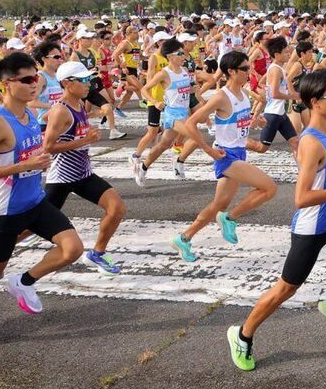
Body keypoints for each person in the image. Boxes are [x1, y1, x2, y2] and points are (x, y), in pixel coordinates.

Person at [226, 69, 326, 371]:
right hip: (311, 228)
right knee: (285, 290)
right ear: (316, 102)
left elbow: (321, 175)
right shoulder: (311, 141)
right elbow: (301, 198)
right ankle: (242, 334)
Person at [0, 52, 83, 350]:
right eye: (27, 79)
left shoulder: (29, 115)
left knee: (73, 249)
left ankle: (24, 281)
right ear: (6, 84)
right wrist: (23, 166)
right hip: (7, 211)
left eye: (36, 78)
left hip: (36, 202)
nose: (35, 84)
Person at [170, 52, 279, 261]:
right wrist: (207, 149)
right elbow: (191, 123)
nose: (249, 72)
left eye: (249, 68)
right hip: (226, 156)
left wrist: (255, 122)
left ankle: (183, 238)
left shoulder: (243, 94)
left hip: (239, 152)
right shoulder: (221, 96)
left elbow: (236, 124)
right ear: (231, 71)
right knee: (269, 188)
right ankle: (230, 218)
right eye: (245, 69)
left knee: (217, 205)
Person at [42, 61, 127, 275]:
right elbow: (48, 146)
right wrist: (84, 140)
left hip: (83, 174)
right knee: (29, 227)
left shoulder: (79, 104)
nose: (89, 84)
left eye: (88, 79)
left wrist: (93, 118)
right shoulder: (61, 110)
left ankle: (97, 253)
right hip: (61, 178)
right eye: (83, 80)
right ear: (67, 84)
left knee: (116, 207)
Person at [134, 38, 193, 185]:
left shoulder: (185, 71)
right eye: (180, 53)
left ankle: (143, 167)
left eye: (183, 53)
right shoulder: (164, 74)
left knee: (163, 145)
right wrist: (155, 102)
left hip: (183, 112)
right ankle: (179, 162)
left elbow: (189, 91)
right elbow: (144, 89)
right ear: (170, 57)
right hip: (172, 114)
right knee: (195, 136)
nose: (183, 56)